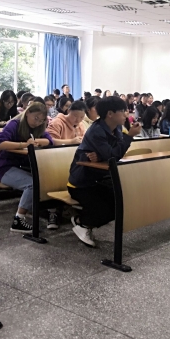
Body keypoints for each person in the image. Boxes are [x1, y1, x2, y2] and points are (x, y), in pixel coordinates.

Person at [67, 96, 142, 247]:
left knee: (121, 202)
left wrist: (102, 155)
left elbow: (112, 153)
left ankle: (81, 220)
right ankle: (83, 225)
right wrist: (129, 137)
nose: (126, 114)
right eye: (123, 111)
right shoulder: (97, 131)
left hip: (99, 179)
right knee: (105, 209)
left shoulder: (117, 128)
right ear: (110, 114)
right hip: (81, 183)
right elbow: (113, 155)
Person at [0, 102, 53, 233]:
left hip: (24, 167)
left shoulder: (39, 127)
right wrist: (24, 144)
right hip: (6, 168)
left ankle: (50, 212)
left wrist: (38, 141)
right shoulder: (14, 124)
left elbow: (50, 140)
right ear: (27, 113)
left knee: (47, 179)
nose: (37, 123)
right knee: (32, 184)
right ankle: (18, 220)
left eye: (41, 120)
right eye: (36, 118)